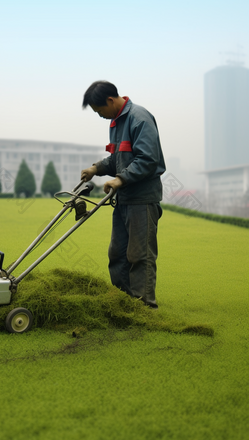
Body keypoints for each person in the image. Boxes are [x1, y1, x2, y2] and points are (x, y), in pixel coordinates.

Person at [81, 81, 165, 308]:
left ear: (110, 100)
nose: (100, 116)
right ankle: (123, 303)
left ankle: (144, 308)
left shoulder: (140, 118)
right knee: (117, 255)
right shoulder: (116, 122)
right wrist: (96, 169)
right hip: (124, 198)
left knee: (140, 256)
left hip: (142, 199)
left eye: (99, 111)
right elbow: (118, 158)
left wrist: (120, 179)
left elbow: (148, 159)